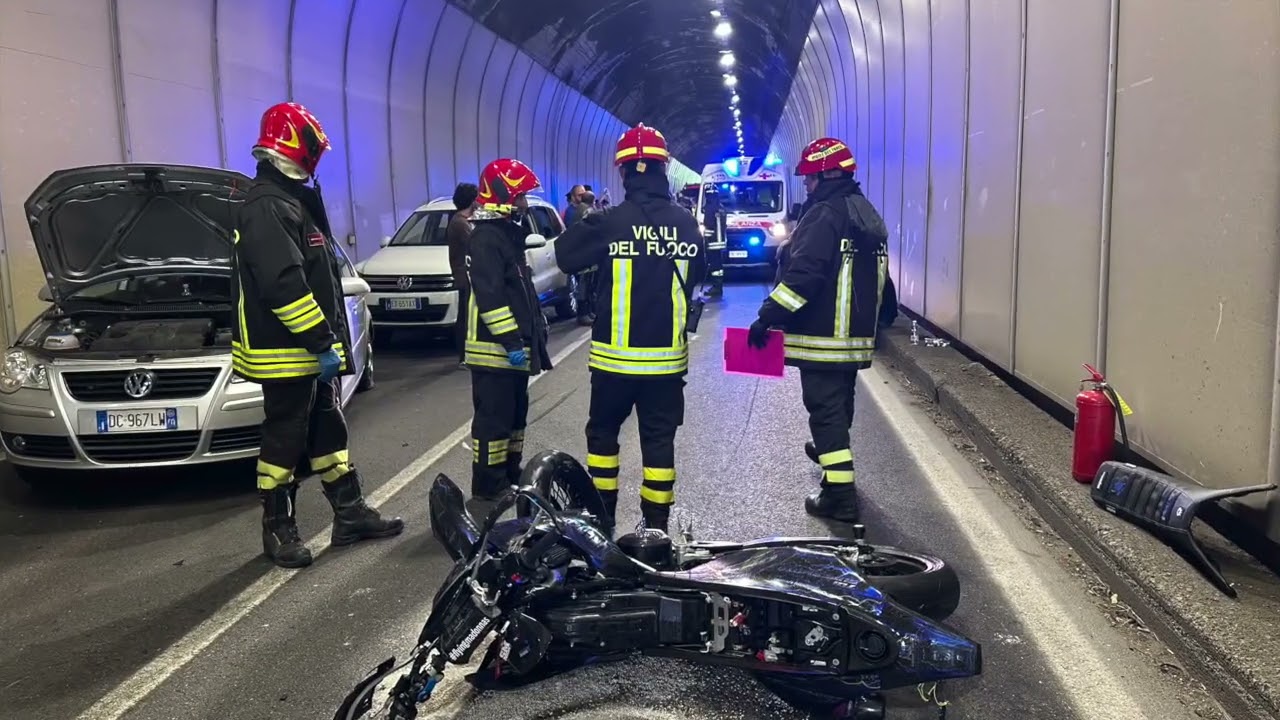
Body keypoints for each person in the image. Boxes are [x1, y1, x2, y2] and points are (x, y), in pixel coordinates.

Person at [232, 102, 404, 568]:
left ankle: (349, 513)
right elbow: (283, 284)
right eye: (313, 148)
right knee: (284, 437)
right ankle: (277, 528)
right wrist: (319, 340)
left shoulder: (289, 202)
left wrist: (324, 343)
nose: (317, 158)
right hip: (288, 351)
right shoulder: (268, 207)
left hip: (308, 350)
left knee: (328, 425)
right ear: (293, 145)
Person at [554, 124, 705, 533]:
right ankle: (655, 527)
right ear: (664, 168)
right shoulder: (688, 225)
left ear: (623, 172)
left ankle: (601, 522)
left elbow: (565, 257)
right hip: (665, 365)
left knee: (603, 437)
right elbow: (699, 277)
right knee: (659, 443)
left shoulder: (609, 222)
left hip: (614, 365)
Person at [746, 137, 888, 523]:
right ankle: (832, 459)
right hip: (853, 336)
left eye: (809, 179)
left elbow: (804, 276)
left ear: (826, 175)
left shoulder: (825, 214)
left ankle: (839, 497)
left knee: (824, 413)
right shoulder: (864, 212)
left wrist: (768, 315)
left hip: (824, 336)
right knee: (839, 408)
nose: (805, 186)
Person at [465, 158, 553, 500]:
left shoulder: (506, 234)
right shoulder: (486, 238)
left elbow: (519, 292)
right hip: (494, 350)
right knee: (493, 423)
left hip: (511, 349)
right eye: (519, 197)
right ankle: (488, 485)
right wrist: (512, 341)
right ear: (502, 196)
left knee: (515, 418)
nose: (524, 204)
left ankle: (508, 473)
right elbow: (491, 297)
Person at [447, 182, 479, 366]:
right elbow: (474, 243)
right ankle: (463, 356)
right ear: (472, 200)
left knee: (469, 316)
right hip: (463, 276)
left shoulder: (464, 220)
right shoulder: (460, 223)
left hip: (468, 274)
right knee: (465, 317)